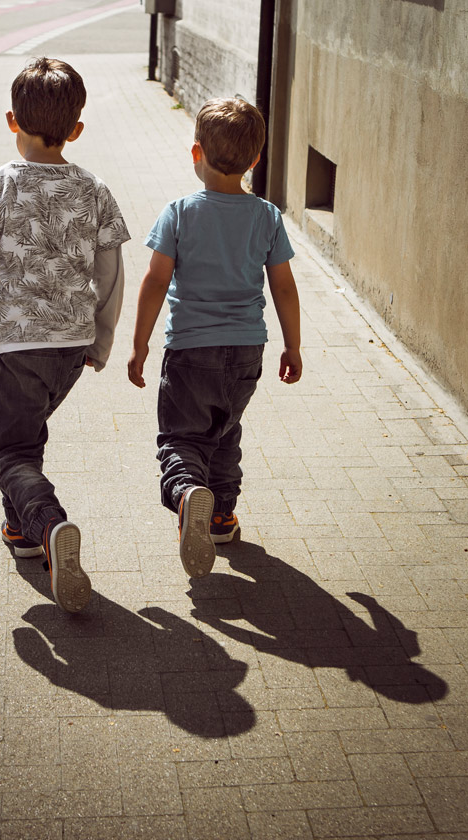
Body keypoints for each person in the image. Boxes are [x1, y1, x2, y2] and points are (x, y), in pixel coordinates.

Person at [0, 57, 129, 613]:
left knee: (12, 451)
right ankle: (22, 530)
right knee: (27, 435)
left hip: (17, 347)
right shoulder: (94, 188)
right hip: (71, 347)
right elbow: (112, 275)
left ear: (12, 120)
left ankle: (48, 523)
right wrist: (101, 341)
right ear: (76, 129)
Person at [126, 97, 302, 578]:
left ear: (196, 153)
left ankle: (188, 494)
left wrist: (140, 344)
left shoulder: (180, 212)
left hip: (190, 350)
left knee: (182, 438)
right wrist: (293, 345)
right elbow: (284, 286)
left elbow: (155, 281)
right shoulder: (266, 216)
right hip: (247, 350)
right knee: (225, 429)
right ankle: (221, 515)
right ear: (255, 160)